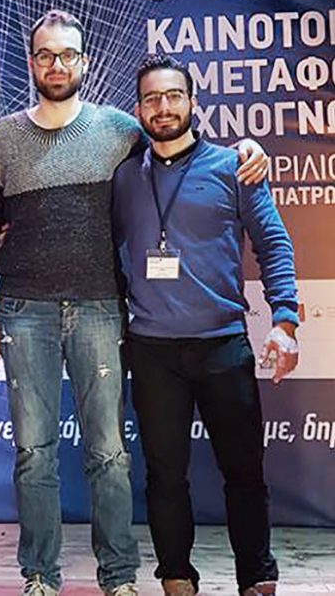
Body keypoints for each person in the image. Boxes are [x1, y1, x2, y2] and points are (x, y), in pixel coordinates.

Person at [0, 11, 267, 596]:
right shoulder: (2, 138)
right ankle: (40, 575)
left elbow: (179, 141)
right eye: (45, 55)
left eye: (67, 54)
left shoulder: (120, 130)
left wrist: (247, 149)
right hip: (24, 310)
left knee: (109, 453)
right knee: (33, 452)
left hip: (101, 309)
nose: (56, 65)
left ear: (84, 62)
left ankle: (119, 577)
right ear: (31, 63)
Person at [112, 54, 299, 596]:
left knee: (244, 473)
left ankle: (257, 577)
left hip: (223, 345)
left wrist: (285, 320)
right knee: (164, 475)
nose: (163, 107)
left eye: (174, 96)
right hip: (152, 352)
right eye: (152, 98)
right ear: (138, 111)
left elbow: (274, 244)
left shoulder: (235, 166)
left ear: (194, 103)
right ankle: (176, 577)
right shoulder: (124, 178)